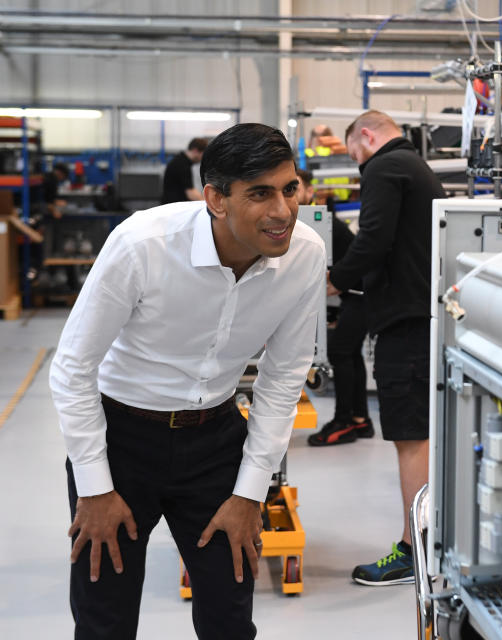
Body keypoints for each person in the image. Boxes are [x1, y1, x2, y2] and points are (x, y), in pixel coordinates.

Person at [49, 123, 326, 639]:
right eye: (261, 194)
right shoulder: (143, 245)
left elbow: (283, 376)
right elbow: (72, 366)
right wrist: (94, 487)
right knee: (104, 618)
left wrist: (249, 493)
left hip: (215, 439)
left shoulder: (305, 254)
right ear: (216, 199)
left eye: (290, 188)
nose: (284, 210)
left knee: (229, 620)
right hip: (121, 440)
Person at [326, 110, 444, 585]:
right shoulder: (413, 166)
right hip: (422, 316)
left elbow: (373, 240)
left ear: (367, 137)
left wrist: (334, 281)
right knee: (421, 434)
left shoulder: (383, 167)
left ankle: (415, 552)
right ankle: (430, 542)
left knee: (410, 437)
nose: (357, 164)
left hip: (406, 323)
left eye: (354, 154)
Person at [295, 168, 372, 447]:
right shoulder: (311, 220)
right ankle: (360, 420)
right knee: (350, 353)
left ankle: (343, 422)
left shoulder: (317, 221)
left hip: (363, 292)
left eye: (294, 187)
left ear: (309, 191)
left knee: (340, 351)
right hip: (358, 292)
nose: (289, 194)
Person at [161, 137, 208, 204]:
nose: (202, 159)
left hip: (172, 204)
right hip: (173, 207)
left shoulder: (181, 160)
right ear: (195, 150)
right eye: (202, 155)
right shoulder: (183, 165)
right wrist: (207, 203)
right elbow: (191, 193)